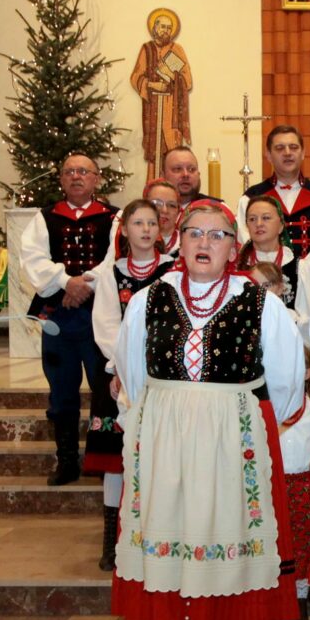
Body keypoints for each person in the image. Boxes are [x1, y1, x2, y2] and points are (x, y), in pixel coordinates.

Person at [112, 200, 305, 620]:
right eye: (195, 232)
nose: (204, 243)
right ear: (178, 240)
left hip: (232, 439)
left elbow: (286, 381)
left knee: (229, 545)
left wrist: (238, 417)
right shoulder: (149, 299)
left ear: (234, 247)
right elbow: (132, 374)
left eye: (217, 235)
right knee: (176, 545)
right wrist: (164, 418)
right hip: (167, 439)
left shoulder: (258, 301)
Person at [20, 154, 119, 486]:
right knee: (61, 387)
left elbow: (115, 257)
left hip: (99, 314)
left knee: (103, 387)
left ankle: (99, 457)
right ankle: (66, 460)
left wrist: (86, 284)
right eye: (70, 172)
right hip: (58, 316)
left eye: (84, 171)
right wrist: (66, 282)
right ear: (61, 179)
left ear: (96, 178)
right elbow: (32, 258)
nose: (77, 176)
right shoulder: (44, 218)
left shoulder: (114, 217)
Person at [90, 199, 174, 571]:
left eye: (151, 223)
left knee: (161, 456)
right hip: (118, 374)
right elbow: (107, 326)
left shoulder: (174, 270)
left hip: (163, 374)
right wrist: (122, 368)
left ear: (161, 228)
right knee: (116, 460)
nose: (145, 230)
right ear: (124, 230)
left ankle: (157, 532)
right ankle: (111, 538)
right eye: (137, 223)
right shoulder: (112, 273)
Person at [270, 347, 310, 620]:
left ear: (309, 372)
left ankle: (299, 606)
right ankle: (277, 607)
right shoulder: (270, 408)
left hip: (305, 485)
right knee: (276, 545)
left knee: (302, 545)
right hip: (274, 485)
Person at [237, 125, 310, 274]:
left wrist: (303, 273)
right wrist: (269, 273)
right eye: (279, 148)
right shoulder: (250, 198)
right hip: (263, 277)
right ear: (268, 155)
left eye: (293, 147)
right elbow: (244, 240)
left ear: (303, 153)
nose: (287, 153)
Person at [237, 194, 310, 342]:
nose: (259, 224)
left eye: (266, 218)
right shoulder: (237, 269)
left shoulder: (301, 268)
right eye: (252, 219)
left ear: (281, 225)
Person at [130, 9, 192, 181]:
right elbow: (136, 77)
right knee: (155, 155)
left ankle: (174, 189)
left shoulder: (176, 50)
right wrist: (151, 84)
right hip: (153, 110)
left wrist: (173, 76)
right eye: (163, 26)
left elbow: (187, 80)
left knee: (173, 154)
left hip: (171, 113)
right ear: (155, 28)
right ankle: (153, 189)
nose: (166, 30)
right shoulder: (147, 49)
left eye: (169, 28)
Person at [144, 179, 183, 255]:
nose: (165, 210)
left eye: (171, 205)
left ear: (178, 211)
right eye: (157, 203)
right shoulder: (131, 241)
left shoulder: (186, 242)